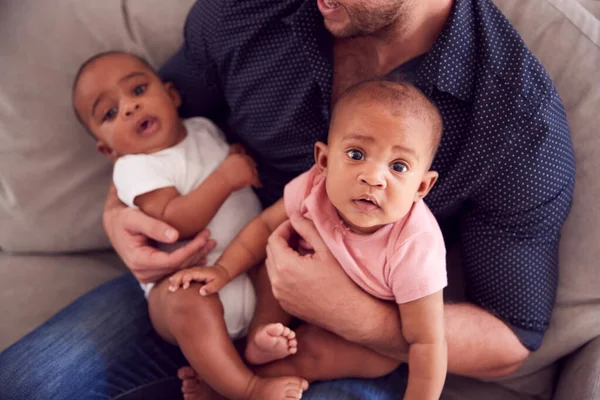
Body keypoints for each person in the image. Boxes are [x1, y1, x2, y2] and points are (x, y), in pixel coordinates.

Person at [0, 0, 575, 399]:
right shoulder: (247, 11)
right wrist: (118, 213)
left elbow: (511, 337)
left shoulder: (518, 122)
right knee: (25, 385)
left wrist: (359, 317)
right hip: (215, 271)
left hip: (356, 337)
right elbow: (150, 123)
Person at [169, 79, 448, 400]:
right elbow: (263, 226)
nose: (373, 177)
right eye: (356, 154)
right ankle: (261, 338)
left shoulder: (415, 245)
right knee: (272, 265)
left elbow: (427, 342)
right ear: (324, 161)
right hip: (293, 290)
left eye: (398, 166)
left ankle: (236, 384)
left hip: (358, 337)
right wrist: (222, 271)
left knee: (322, 353)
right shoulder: (314, 186)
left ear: (422, 187)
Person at [71, 51, 309, 399]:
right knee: (189, 303)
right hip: (184, 283)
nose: (129, 107)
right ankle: (247, 386)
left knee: (281, 261)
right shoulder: (135, 167)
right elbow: (173, 220)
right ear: (107, 150)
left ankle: (256, 345)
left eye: (138, 90)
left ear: (172, 95)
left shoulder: (203, 128)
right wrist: (226, 178)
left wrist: (235, 156)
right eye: (109, 112)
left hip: (246, 265)